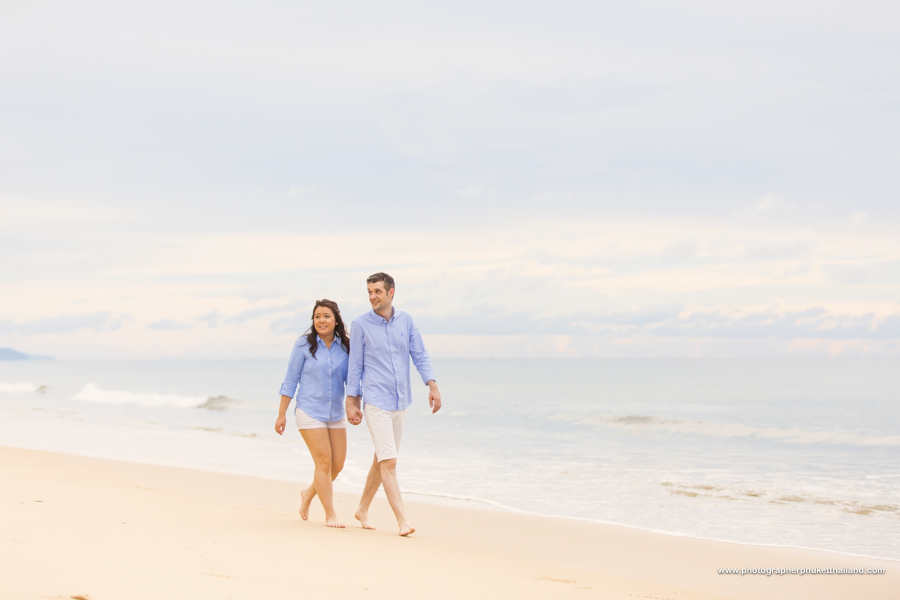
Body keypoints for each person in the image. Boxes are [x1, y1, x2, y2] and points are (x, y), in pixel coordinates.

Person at [345, 272, 442, 536]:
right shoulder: (361, 324)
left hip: (401, 401)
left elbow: (419, 354)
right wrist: (351, 401)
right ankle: (402, 521)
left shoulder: (406, 321)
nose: (372, 296)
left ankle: (362, 508)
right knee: (389, 462)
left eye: (377, 291)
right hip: (375, 401)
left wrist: (432, 385)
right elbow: (355, 367)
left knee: (382, 458)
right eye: (369, 292)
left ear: (391, 292)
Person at [275, 299, 350, 528]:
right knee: (324, 461)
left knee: (337, 465)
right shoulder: (302, 345)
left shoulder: (346, 346)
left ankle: (307, 494)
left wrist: (357, 404)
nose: (321, 320)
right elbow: (290, 381)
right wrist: (282, 414)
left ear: (336, 319)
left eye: (326, 316)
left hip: (335, 413)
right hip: (308, 410)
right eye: (317, 316)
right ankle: (330, 514)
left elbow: (351, 380)